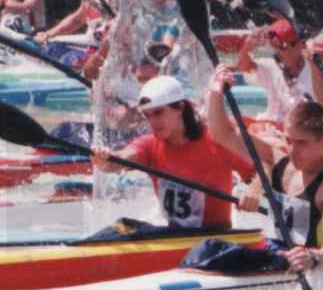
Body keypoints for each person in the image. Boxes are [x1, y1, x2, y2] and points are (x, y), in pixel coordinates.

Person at [91, 72, 256, 229]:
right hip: (174, 237)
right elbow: (121, 158)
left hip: (215, 239)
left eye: (158, 112)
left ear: (180, 107)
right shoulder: (150, 144)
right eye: (148, 115)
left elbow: (263, 171)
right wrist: (106, 159)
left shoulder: (218, 141)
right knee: (122, 227)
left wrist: (254, 190)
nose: (153, 122)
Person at [209, 93, 323, 272]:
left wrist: (314, 258)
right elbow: (222, 135)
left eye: (301, 143)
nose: (292, 151)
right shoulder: (278, 158)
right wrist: (216, 92)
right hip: (274, 253)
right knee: (209, 248)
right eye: (288, 140)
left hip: (300, 265)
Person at [235, 17, 323, 127]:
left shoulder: (314, 72)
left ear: (301, 45)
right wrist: (248, 47)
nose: (278, 54)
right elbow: (243, 66)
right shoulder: (272, 66)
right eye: (274, 48)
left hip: (299, 134)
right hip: (268, 128)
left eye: (282, 48)